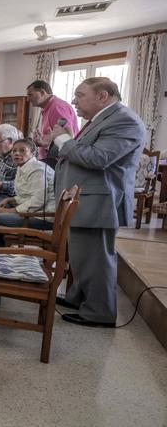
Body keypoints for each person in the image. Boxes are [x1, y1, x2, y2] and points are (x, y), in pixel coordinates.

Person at [42, 77, 145, 327]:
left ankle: (99, 312)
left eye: (80, 95)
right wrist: (62, 140)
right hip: (84, 199)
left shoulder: (124, 120)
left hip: (99, 201)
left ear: (103, 96)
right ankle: (79, 298)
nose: (74, 101)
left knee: (95, 258)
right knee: (81, 257)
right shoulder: (100, 120)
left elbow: (99, 158)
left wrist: (63, 140)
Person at [0, 138, 56, 231]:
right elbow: (27, 195)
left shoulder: (37, 169)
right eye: (14, 151)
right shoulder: (22, 167)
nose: (16, 153)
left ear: (33, 153)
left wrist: (10, 211)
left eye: (22, 150)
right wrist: (9, 200)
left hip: (42, 217)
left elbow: (39, 200)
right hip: (32, 212)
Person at [27, 79, 79, 161]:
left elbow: (68, 138)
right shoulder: (48, 107)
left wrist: (46, 145)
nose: (28, 99)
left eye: (30, 95)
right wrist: (43, 142)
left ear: (42, 92)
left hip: (57, 162)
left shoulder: (57, 107)